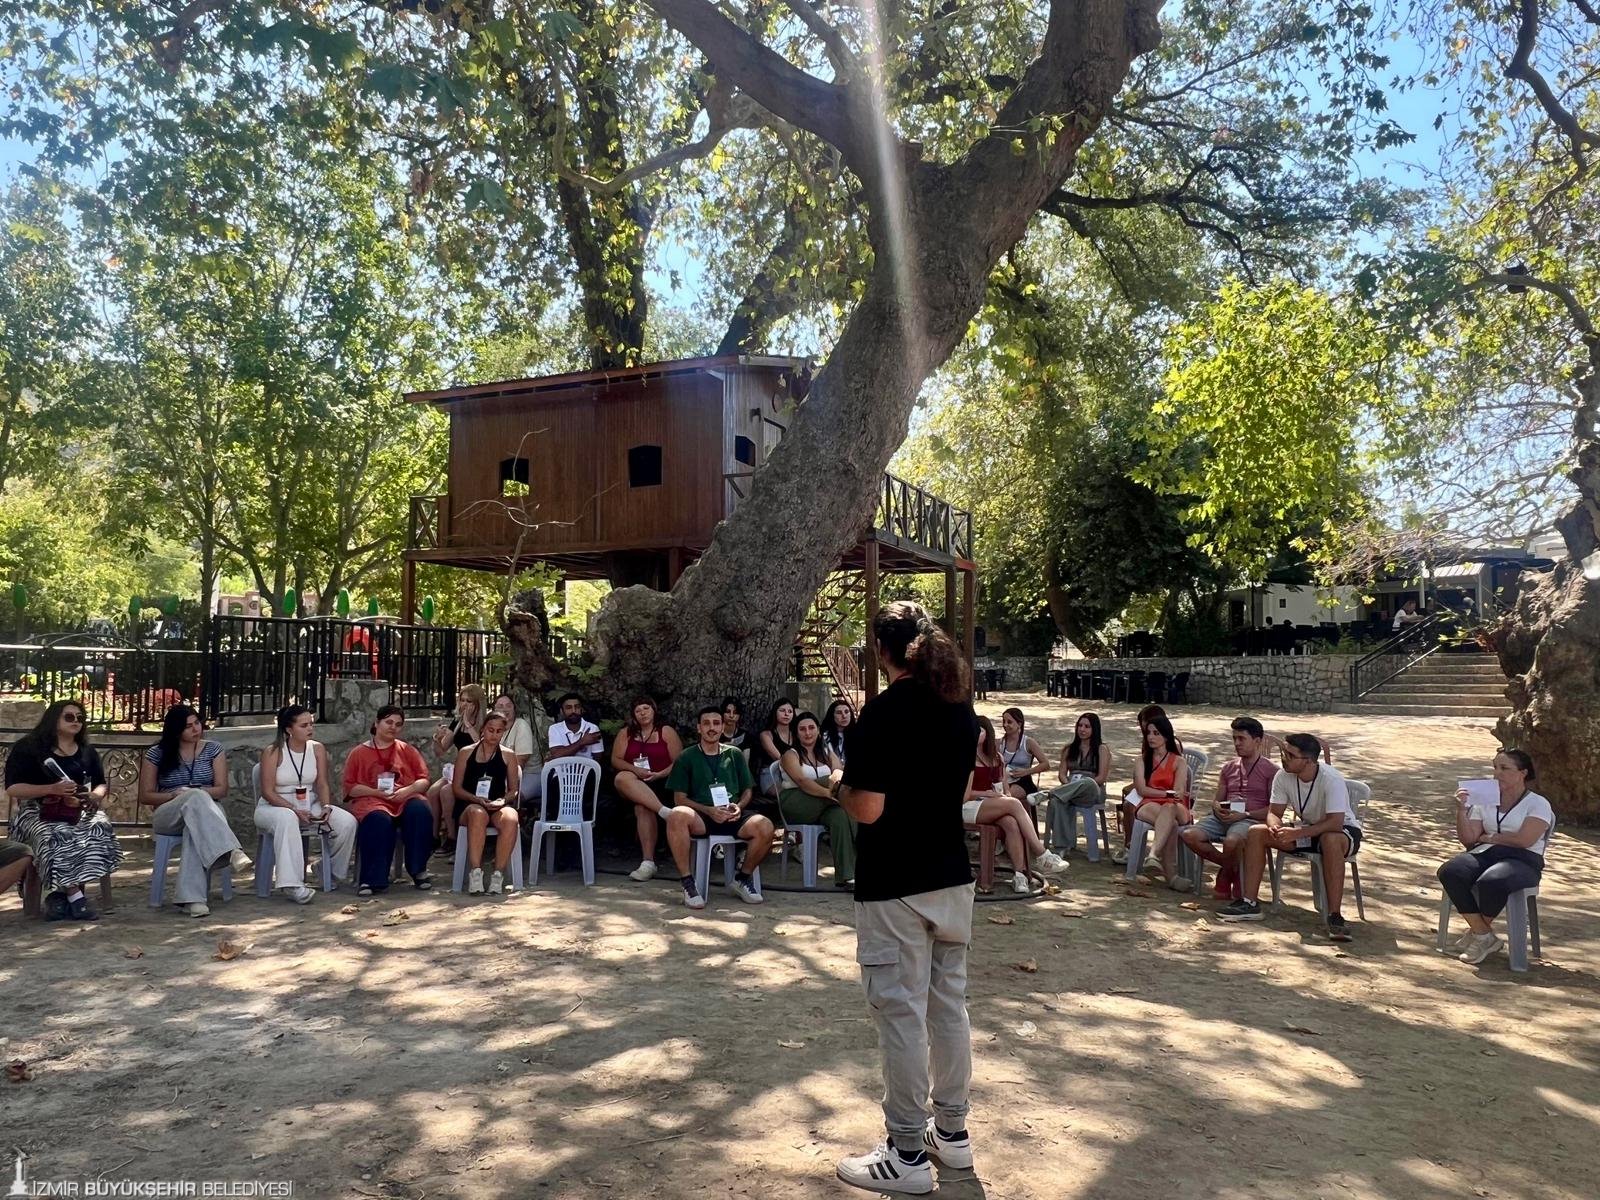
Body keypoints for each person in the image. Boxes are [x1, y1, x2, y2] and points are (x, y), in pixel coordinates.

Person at [833, 602, 979, 1194]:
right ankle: (953, 1133)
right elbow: (959, 791)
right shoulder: (961, 710)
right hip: (952, 877)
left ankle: (907, 1153)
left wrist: (838, 788)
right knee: (948, 1008)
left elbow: (867, 807)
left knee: (900, 1015)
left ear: (881, 652)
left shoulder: (883, 714)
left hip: (895, 884)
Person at [1218, 732, 1362, 940]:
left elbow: (1335, 822)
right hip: (1308, 829)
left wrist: (1299, 832)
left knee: (1329, 839)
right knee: (1257, 832)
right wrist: (1275, 827)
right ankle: (1249, 902)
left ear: (1309, 760)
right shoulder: (1283, 776)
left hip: (1341, 832)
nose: (1284, 758)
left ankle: (1335, 916)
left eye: (1290, 755)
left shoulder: (1331, 779)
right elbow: (1274, 812)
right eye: (1283, 752)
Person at [3, 700, 123, 920]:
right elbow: (13, 788)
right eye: (69, 717)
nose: (76, 721)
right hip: (36, 810)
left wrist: (95, 795)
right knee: (55, 833)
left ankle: (59, 896)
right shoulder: (28, 748)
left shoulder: (87, 751)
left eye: (80, 718)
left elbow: (100, 784)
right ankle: (75, 896)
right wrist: (51, 789)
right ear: (53, 719)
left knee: (99, 827)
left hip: (77, 808)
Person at [1438, 749, 1554, 965]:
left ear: (1522, 773)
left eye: (1504, 768)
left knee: (1492, 880)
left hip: (1523, 859)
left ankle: (1478, 935)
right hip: (1487, 853)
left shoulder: (1538, 803)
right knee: (1450, 871)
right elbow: (1469, 839)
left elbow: (1524, 840)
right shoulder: (1485, 798)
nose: (1497, 773)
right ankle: (1483, 935)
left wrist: (1492, 837)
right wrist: (1462, 811)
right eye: (1495, 767)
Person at [138, 704, 249, 917]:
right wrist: (176, 795)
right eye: (188, 726)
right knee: (194, 798)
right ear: (176, 730)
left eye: (197, 723)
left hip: (207, 810)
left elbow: (222, 790)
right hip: (169, 812)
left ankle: (192, 900)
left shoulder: (213, 749)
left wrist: (195, 793)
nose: (195, 729)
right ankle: (231, 849)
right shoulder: (157, 753)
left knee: (195, 821)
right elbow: (146, 796)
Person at [663, 706, 774, 908]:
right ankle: (688, 883)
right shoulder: (686, 756)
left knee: (765, 826)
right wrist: (708, 810)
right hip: (702, 816)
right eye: (706, 724)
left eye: (716, 723)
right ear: (699, 728)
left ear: (723, 727)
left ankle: (742, 878)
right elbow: (679, 799)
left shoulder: (734, 754)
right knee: (677, 814)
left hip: (732, 814)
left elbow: (748, 790)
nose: (711, 728)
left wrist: (739, 807)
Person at [255, 705, 357, 903]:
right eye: (303, 725)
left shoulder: (317, 748)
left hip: (309, 802)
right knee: (287, 818)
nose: (310, 728)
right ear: (289, 729)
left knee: (347, 822)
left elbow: (322, 783)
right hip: (274, 806)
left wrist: (326, 807)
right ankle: (292, 884)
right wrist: (293, 809)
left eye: (311, 724)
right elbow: (267, 792)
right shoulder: (273, 751)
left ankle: (328, 870)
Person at [1178, 716, 1279, 900]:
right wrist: (1217, 808)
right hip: (1224, 817)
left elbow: (1273, 810)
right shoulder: (1228, 767)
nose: (1237, 743)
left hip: (1250, 819)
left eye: (1242, 739)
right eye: (1234, 739)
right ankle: (1232, 868)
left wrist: (1245, 814)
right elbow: (1217, 800)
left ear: (1257, 741)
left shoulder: (1271, 770)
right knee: (1189, 834)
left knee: (1231, 841)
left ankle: (1225, 875)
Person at [966, 717, 1068, 894]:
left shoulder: (996, 758)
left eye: (980, 731)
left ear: (988, 733)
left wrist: (1002, 796)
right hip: (969, 806)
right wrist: (987, 794)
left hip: (992, 804)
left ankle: (1019, 874)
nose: (976, 734)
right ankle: (1041, 853)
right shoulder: (965, 757)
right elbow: (964, 795)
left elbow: (1005, 788)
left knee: (1011, 822)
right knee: (1013, 804)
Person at [344, 705, 435, 895]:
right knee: (379, 820)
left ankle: (419, 870)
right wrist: (376, 792)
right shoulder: (358, 753)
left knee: (420, 810)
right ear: (377, 723)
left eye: (398, 724)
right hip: (373, 801)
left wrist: (408, 790)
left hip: (404, 798)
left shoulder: (407, 750)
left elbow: (424, 780)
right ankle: (371, 880)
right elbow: (351, 787)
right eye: (389, 722)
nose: (393, 727)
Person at [777, 710, 857, 888]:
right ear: (796, 733)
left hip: (824, 805)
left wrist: (835, 785)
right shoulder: (790, 754)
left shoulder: (826, 751)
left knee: (840, 816)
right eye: (802, 729)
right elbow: (802, 781)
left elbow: (839, 771)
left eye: (811, 728)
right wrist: (830, 793)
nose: (808, 732)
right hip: (796, 802)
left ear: (818, 730)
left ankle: (847, 876)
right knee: (834, 784)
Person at [610, 696, 684, 882]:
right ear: (633, 715)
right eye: (638, 711)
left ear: (654, 710)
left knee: (643, 806)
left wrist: (659, 774)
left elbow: (679, 762)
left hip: (661, 782)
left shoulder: (666, 731)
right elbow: (616, 760)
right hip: (634, 783)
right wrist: (636, 770)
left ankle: (648, 863)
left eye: (646, 708)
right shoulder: (626, 733)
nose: (642, 713)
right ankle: (665, 812)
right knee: (621, 777)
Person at [450, 711, 522, 895]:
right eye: (491, 730)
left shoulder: (508, 755)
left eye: (499, 731)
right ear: (483, 729)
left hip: (495, 805)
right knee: (478, 813)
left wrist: (502, 800)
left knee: (511, 817)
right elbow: (456, 788)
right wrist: (476, 799)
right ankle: (476, 872)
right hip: (470, 805)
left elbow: (513, 790)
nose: (494, 735)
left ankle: (498, 874)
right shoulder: (466, 752)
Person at [1129, 716, 1192, 891]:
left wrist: (1167, 795)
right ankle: (1171, 877)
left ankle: (1153, 853)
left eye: (1156, 733)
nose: (1151, 737)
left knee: (1170, 808)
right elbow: (1142, 790)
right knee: (1170, 822)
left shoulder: (1179, 761)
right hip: (1149, 803)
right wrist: (1165, 793)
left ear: (1166, 735)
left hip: (1176, 805)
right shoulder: (1141, 760)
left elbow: (1178, 792)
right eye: (1148, 733)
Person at [1110, 704, 1173, 866]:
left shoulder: (1171, 745)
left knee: (1132, 804)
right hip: (1148, 785)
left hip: (1162, 790)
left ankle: (1138, 847)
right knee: (1128, 803)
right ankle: (1130, 845)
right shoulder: (1147, 743)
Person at [1042, 712, 1111, 857]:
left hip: (1092, 790)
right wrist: (1068, 784)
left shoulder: (1101, 749)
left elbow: (1101, 778)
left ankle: (1049, 793)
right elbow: (1062, 774)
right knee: (1056, 802)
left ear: (1094, 729)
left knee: (1087, 782)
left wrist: (1080, 784)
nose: (1082, 729)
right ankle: (1062, 846)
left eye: (1087, 726)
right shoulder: (1069, 749)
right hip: (1070, 789)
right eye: (1080, 725)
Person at [427, 684, 486, 840]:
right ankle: (433, 837)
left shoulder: (484, 723)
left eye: (469, 701)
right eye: (462, 700)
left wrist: (468, 724)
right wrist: (437, 738)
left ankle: (452, 837)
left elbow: (482, 747)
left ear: (478, 704)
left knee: (446, 792)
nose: (464, 704)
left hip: (477, 771)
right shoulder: (457, 722)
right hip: (459, 769)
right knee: (432, 792)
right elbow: (441, 751)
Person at [492, 692, 538, 803]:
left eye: (508, 706)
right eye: (500, 706)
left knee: (509, 797)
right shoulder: (494, 728)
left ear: (514, 709)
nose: (505, 709)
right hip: (502, 774)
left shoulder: (521, 725)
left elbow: (519, 764)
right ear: (494, 710)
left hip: (529, 774)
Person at [997, 707, 1050, 800]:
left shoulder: (1028, 742)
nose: (1005, 725)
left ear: (1019, 724)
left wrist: (1026, 772)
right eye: (1004, 721)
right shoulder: (999, 743)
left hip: (1022, 781)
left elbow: (1046, 764)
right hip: (1003, 779)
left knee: (1008, 797)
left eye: (1009, 722)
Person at [756, 698, 797, 798]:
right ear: (775, 712)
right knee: (791, 796)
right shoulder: (766, 735)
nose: (786, 714)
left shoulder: (797, 734)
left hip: (795, 773)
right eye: (782, 710)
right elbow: (778, 758)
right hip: (772, 775)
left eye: (790, 711)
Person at [819, 698, 854, 764]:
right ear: (832, 715)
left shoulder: (858, 734)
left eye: (846, 712)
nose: (844, 716)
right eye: (839, 713)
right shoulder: (824, 736)